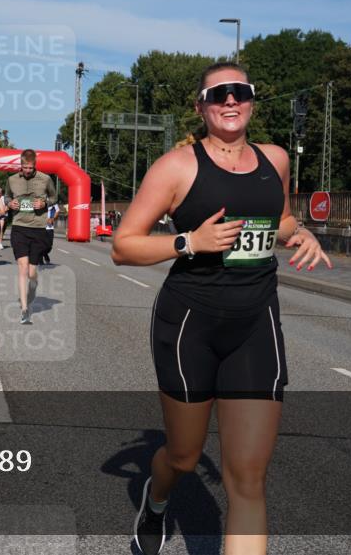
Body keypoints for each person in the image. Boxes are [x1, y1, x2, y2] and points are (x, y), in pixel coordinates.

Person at [112, 63, 331, 555]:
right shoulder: (177, 166)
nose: (230, 102)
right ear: (201, 106)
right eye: (218, 95)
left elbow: (281, 219)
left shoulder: (274, 159)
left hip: (255, 324)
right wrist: (190, 241)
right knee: (185, 457)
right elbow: (124, 246)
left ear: (252, 100)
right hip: (190, 323)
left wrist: (300, 232)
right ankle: (158, 496)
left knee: (248, 479)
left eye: (240, 92)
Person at [6, 149, 57, 324]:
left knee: (32, 272)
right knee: (22, 267)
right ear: (20, 164)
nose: (27, 170)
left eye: (30, 167)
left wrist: (44, 203)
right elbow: (7, 197)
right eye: (24, 167)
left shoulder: (45, 179)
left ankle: (32, 288)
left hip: (38, 228)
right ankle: (25, 309)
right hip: (19, 227)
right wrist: (9, 203)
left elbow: (54, 197)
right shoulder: (12, 180)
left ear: (35, 165)